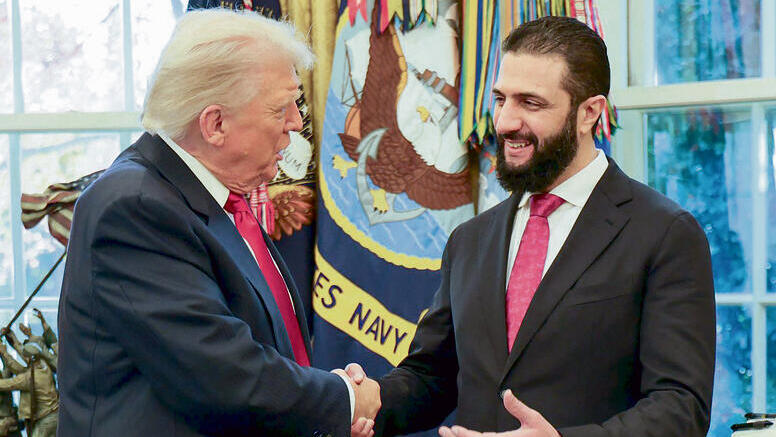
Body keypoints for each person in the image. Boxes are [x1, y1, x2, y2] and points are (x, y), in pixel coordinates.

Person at [347, 16, 716, 437]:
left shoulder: (665, 234)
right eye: (501, 99)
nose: (504, 122)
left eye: (530, 103)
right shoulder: (470, 240)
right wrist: (370, 401)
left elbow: (680, 408)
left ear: (589, 113)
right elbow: (435, 375)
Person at [57, 9, 379, 437]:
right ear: (215, 124)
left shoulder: (215, 200)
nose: (296, 124)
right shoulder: (132, 207)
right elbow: (222, 375)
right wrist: (342, 399)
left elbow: (261, 354)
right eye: (281, 108)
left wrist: (316, 411)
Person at [0, 343, 58, 437]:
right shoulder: (43, 365)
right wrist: (12, 342)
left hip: (45, 421)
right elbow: (20, 367)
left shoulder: (29, 378)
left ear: (30, 359)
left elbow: (6, 384)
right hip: (55, 415)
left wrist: (4, 353)